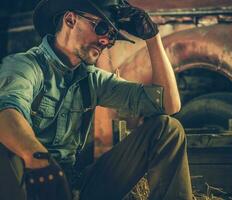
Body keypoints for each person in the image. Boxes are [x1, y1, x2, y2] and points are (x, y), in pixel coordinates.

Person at [0, 0, 193, 199]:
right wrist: (40, 161)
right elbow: (6, 113)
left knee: (167, 129)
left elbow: (168, 105)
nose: (105, 41)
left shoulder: (93, 80)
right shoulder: (24, 66)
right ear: (70, 20)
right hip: (29, 184)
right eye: (101, 28)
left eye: (111, 37)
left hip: (73, 187)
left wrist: (153, 38)